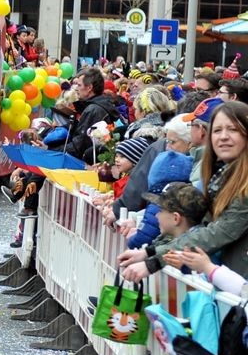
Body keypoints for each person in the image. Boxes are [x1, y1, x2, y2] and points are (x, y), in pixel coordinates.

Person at [119, 100, 248, 280]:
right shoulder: (220, 173)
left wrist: (154, 261)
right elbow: (202, 228)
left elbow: (217, 233)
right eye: (217, 130)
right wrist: (150, 252)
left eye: (233, 129)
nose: (223, 136)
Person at [63, 67, 120, 164]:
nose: (76, 88)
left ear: (89, 88)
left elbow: (79, 146)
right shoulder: (95, 106)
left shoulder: (93, 110)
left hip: (85, 164)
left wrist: (52, 150)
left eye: (79, 85)